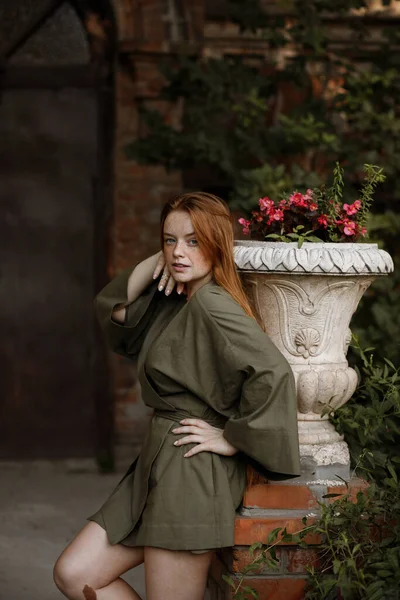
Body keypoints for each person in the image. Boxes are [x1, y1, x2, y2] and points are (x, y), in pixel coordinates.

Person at [53, 192, 300, 600]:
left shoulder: (212, 303)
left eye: (193, 241)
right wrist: (159, 261)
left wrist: (232, 438)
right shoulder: (175, 300)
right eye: (170, 240)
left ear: (217, 243)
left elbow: (274, 373)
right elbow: (114, 311)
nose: (178, 252)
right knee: (74, 572)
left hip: (189, 473)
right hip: (158, 464)